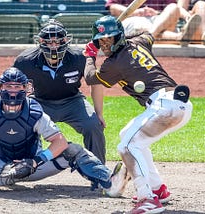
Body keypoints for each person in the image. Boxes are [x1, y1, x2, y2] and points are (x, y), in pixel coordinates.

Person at [0, 67, 130, 195]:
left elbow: (60, 142)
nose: (13, 91)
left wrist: (34, 162)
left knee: (73, 150)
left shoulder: (35, 113)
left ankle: (110, 182)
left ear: (26, 89)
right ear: (0, 87)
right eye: (9, 86)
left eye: (18, 87)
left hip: (36, 165)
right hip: (3, 165)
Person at [83, 15, 193, 213]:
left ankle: (147, 198)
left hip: (164, 106)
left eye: (110, 38)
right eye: (102, 41)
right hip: (175, 104)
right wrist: (123, 33)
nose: (106, 44)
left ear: (120, 37)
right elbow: (148, 33)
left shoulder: (114, 63)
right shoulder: (140, 41)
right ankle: (157, 188)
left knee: (127, 147)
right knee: (128, 135)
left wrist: (90, 55)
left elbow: (91, 78)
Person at [13, 19, 107, 164]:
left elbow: (96, 83)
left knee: (93, 125)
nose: (53, 46)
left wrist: (99, 114)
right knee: (20, 124)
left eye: (57, 41)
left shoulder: (80, 57)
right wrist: (16, 113)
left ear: (66, 40)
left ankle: (99, 171)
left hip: (73, 101)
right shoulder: (25, 61)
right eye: (49, 42)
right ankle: (20, 165)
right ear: (40, 42)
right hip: (40, 102)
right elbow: (14, 87)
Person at [105, 0, 202, 45]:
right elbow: (113, 7)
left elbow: (174, 8)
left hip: (157, 21)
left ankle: (148, 37)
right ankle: (179, 37)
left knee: (173, 7)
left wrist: (187, 17)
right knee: (145, 27)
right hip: (133, 19)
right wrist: (134, 12)